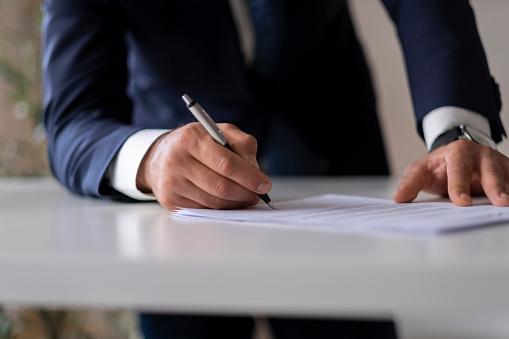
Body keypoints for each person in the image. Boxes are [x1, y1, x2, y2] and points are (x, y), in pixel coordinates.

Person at [42, 0, 508, 338]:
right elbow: (73, 123)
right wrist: (152, 157)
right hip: (179, 206)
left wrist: (458, 130)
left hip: (335, 145)